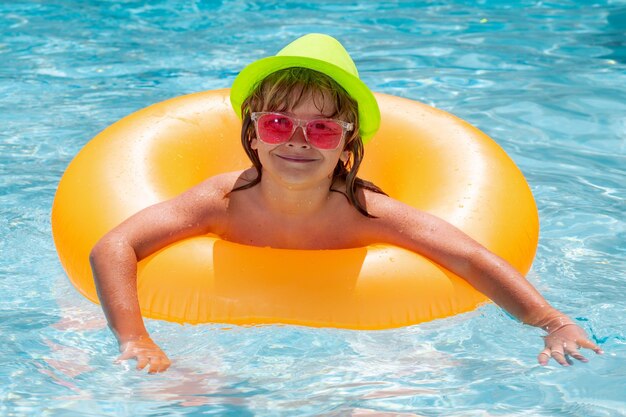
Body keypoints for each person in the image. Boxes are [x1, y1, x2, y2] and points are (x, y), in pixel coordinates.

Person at [89, 33, 603, 374]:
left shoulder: (365, 212)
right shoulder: (223, 200)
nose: (297, 141)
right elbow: (114, 245)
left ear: (347, 139)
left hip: (353, 345)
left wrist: (551, 321)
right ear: (252, 129)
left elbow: (468, 256)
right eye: (276, 123)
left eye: (321, 127)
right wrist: (135, 338)